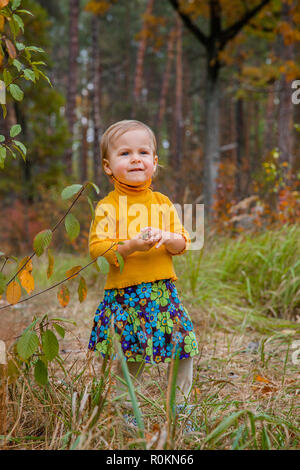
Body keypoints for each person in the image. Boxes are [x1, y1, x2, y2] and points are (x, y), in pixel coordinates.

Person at [88, 119, 199, 423]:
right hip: (126, 294)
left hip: (162, 292)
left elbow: (183, 242)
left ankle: (180, 410)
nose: (136, 158)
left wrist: (168, 238)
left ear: (154, 162)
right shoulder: (108, 207)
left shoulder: (162, 203)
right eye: (125, 153)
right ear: (108, 166)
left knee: (184, 346)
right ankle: (126, 413)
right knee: (131, 356)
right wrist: (131, 245)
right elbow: (98, 249)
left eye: (143, 152)